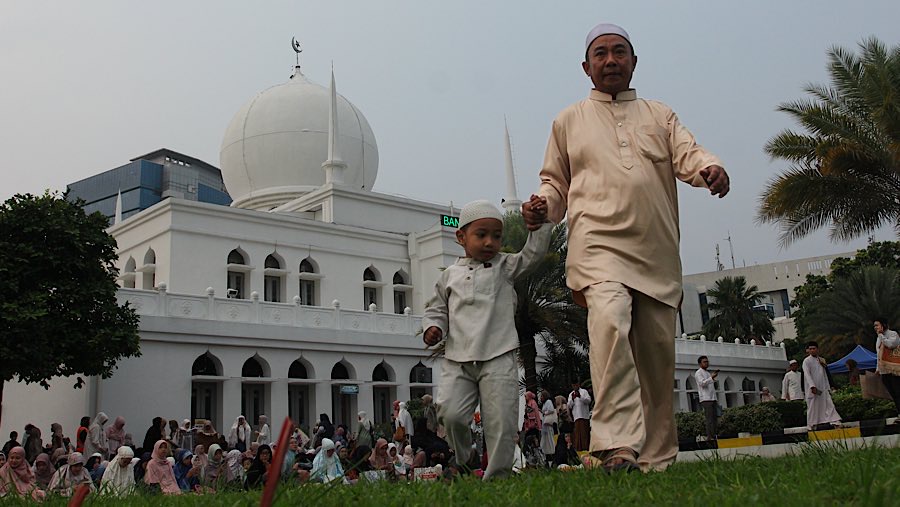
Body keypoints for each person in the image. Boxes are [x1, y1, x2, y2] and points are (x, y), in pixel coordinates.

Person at [524, 22, 730, 473]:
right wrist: (543, 206)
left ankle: (654, 458)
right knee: (611, 323)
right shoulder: (568, 120)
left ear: (634, 62)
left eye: (620, 52)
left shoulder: (660, 114)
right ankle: (616, 445)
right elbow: (554, 182)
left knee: (656, 356)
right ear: (586, 66)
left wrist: (710, 169)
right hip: (597, 246)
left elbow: (690, 154)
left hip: (655, 251)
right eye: (601, 53)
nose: (611, 60)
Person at [423, 198, 552, 480]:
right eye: (481, 235)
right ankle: (465, 455)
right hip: (459, 360)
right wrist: (433, 327)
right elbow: (436, 309)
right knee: (451, 415)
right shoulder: (450, 277)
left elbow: (532, 254)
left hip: (499, 356)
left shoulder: (505, 267)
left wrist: (538, 226)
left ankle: (498, 478)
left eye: (496, 236)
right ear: (461, 237)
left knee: (502, 424)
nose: (489, 242)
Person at [803, 341, 842, 430]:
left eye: (814, 349)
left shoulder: (821, 360)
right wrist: (812, 386)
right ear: (808, 350)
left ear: (817, 349)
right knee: (813, 406)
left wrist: (828, 386)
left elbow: (824, 374)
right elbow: (807, 374)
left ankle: (835, 421)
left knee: (829, 403)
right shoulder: (806, 361)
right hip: (813, 389)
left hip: (823, 388)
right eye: (810, 349)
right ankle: (812, 425)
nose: (812, 350)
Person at [874, 318, 900, 414]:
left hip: (894, 369)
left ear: (883, 325)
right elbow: (879, 355)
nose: (875, 327)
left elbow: (891, 345)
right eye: (874, 326)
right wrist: (878, 368)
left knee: (898, 392)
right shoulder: (878, 338)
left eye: (877, 325)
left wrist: (881, 336)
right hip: (884, 370)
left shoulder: (893, 334)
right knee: (892, 393)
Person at [695, 356, 719, 441]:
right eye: (704, 362)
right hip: (706, 398)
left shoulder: (708, 373)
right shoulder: (698, 373)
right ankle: (710, 437)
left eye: (707, 361)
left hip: (712, 398)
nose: (706, 363)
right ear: (700, 363)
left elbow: (710, 384)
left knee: (714, 418)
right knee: (709, 419)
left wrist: (712, 378)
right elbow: (702, 384)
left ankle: (714, 435)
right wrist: (711, 378)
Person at [567, 382, 591, 451]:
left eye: (576, 385)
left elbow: (588, 400)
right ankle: (579, 449)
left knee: (584, 433)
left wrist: (580, 396)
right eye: (573, 385)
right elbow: (569, 405)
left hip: (584, 415)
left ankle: (586, 447)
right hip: (577, 416)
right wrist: (572, 399)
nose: (575, 386)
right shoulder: (571, 394)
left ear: (578, 384)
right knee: (577, 434)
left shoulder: (584, 391)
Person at [539, 389, 557, 459]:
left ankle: (552, 451)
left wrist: (544, 413)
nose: (541, 398)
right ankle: (547, 452)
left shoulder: (548, 402)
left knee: (550, 438)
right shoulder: (545, 403)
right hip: (545, 423)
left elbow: (551, 410)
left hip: (548, 423)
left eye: (542, 396)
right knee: (546, 439)